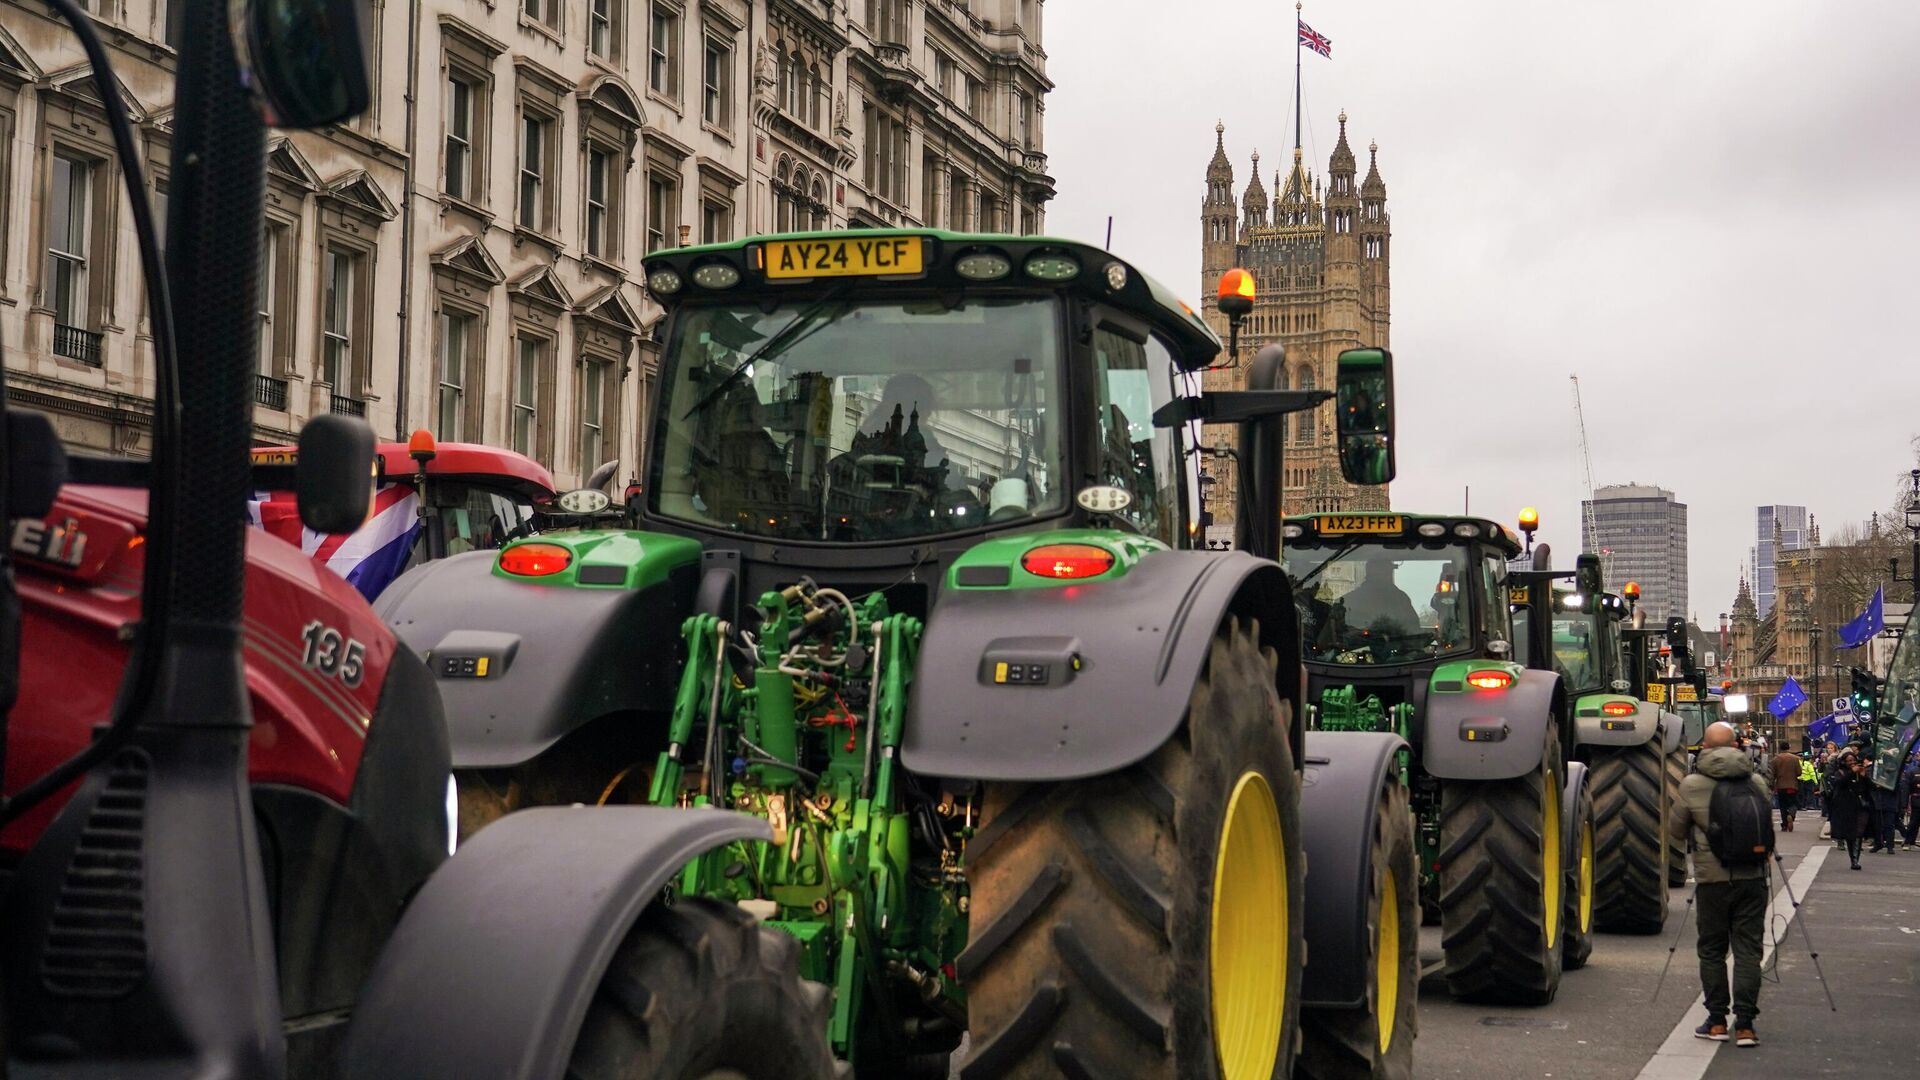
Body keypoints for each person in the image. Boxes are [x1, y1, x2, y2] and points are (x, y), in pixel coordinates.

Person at [1668, 721, 1773, 1049]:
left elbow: (1675, 830)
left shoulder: (1692, 784)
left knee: (1712, 950)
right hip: (1753, 878)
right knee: (1748, 951)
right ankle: (1745, 1025)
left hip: (1713, 881)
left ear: (1707, 748)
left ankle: (1716, 1021)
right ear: (1738, 745)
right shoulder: (1756, 782)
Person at [1335, 550, 1423, 638]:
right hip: (1354, 648)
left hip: (1393, 648)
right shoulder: (1399, 599)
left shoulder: (1348, 599)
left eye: (1386, 571)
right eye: (1383, 571)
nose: (1385, 574)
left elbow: (1413, 633)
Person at [1824, 749, 1871, 869]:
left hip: (1860, 806)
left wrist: (1864, 776)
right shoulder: (1841, 772)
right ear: (1844, 762)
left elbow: (1866, 788)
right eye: (1849, 761)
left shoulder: (1860, 772)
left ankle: (1856, 859)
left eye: (1853, 760)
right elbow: (1839, 783)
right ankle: (1853, 860)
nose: (1852, 762)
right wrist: (1851, 772)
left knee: (1859, 833)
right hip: (1846, 806)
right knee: (1851, 834)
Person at [1770, 746, 1801, 831]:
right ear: (1789, 748)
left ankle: (1784, 825)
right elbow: (1799, 772)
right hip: (1792, 786)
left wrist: (1771, 785)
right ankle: (1791, 814)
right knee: (1793, 803)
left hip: (1780, 786)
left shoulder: (1775, 759)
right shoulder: (1795, 759)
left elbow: (1772, 774)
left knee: (1782, 806)